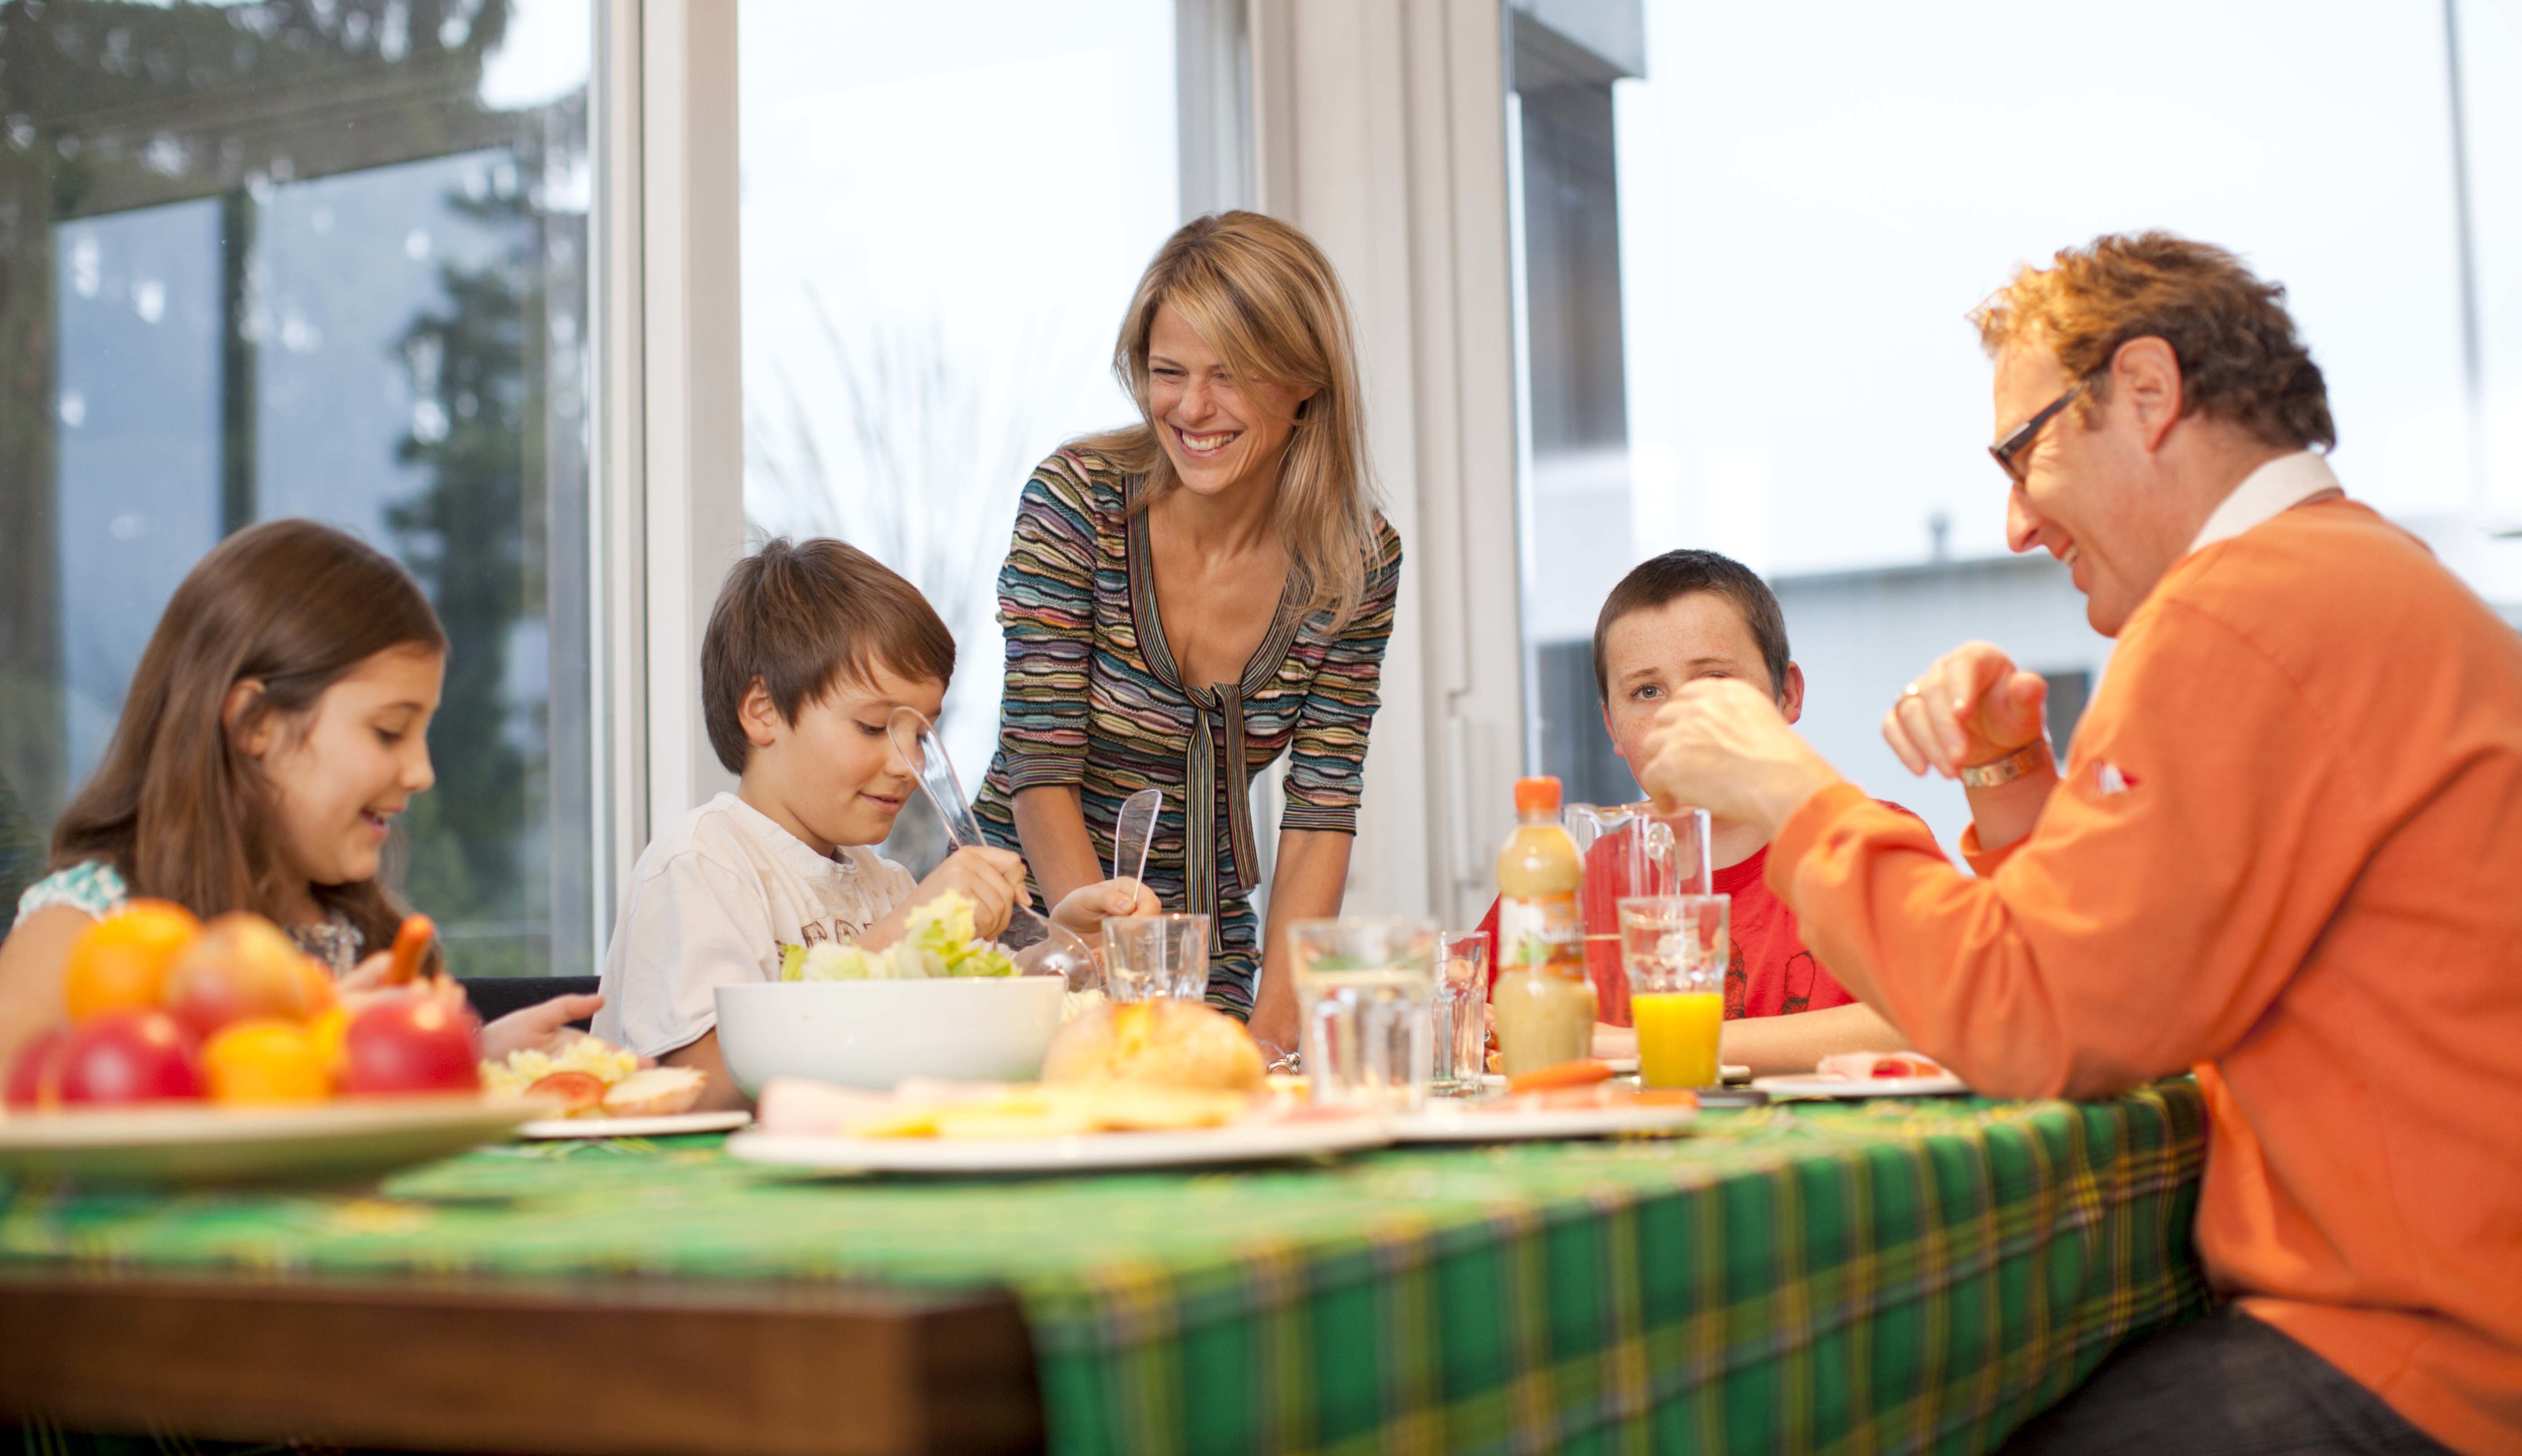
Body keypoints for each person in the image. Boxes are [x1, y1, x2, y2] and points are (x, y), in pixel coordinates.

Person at [1632, 233, 2522, 1455]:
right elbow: (2136, 975)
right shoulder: (2359, 578)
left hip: (2415, 1351)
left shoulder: (2239, 610)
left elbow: (2038, 1019)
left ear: (2148, 394)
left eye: (2025, 450)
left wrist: (1793, 794)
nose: (2014, 522)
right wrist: (2010, 781)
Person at [975, 212, 1403, 1057]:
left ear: (1303, 381)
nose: (1192, 408)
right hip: (1028, 932)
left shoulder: (1355, 560)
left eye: (1230, 376)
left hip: (1207, 948)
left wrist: (1276, 1037)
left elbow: (1320, 810)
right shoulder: (1078, 503)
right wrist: (1108, 984)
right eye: (1167, 372)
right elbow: (1040, 764)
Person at [0, 520, 597, 1072]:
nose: (421, 773)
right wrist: (317, 1044)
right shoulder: (85, 929)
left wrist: (476, 1059)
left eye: (423, 734)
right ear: (255, 723)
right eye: (388, 731)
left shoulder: (360, 934)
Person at [596, 538, 1153, 1107]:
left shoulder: (885, 885)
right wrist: (898, 936)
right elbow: (701, 1088)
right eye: (872, 728)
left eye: (920, 734)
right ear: (763, 712)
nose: (906, 763)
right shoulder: (703, 864)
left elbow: (974, 1046)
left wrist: (1057, 943)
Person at [1473, 549, 1908, 1075]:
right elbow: (1479, 1014)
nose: (1681, 715)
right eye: (1647, 691)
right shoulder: (1562, 884)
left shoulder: (1867, 843)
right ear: (1612, 727)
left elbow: (1926, 1019)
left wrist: (1628, 1045)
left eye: (1716, 681)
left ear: (1787, 694)